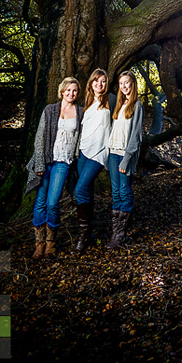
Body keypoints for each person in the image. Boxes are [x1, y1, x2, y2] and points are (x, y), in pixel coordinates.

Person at [26, 77, 82, 258]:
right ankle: (39, 243)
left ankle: (51, 241)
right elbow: (40, 138)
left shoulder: (80, 112)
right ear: (62, 91)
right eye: (68, 90)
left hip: (63, 162)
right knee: (40, 201)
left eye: (74, 91)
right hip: (46, 161)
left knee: (52, 203)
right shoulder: (49, 110)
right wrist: (40, 164)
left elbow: (80, 139)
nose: (71, 93)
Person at [73, 68, 115, 254]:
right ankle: (88, 233)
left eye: (103, 81)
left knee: (80, 189)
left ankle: (82, 237)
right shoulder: (86, 101)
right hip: (83, 151)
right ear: (91, 83)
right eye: (96, 81)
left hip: (99, 153)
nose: (100, 84)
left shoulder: (112, 100)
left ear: (107, 84)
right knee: (86, 190)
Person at [107, 71, 144, 249]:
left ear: (133, 84)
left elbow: (136, 137)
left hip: (124, 155)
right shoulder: (119, 104)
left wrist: (126, 159)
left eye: (127, 83)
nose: (124, 86)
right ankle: (116, 234)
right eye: (121, 83)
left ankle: (120, 235)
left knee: (125, 191)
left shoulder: (137, 106)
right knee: (115, 193)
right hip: (113, 153)